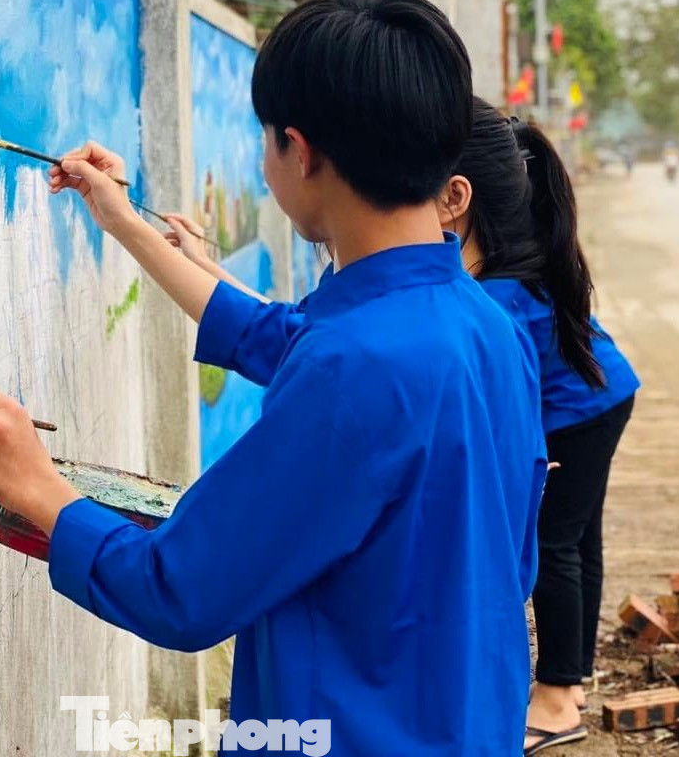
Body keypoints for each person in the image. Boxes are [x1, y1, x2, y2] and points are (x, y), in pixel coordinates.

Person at [0, 0, 546, 754]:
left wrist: (36, 489)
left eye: (266, 142)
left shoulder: (353, 364)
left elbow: (180, 590)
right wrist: (121, 218)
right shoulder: (486, 326)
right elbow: (272, 334)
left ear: (301, 149)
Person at [169, 99, 638, 755]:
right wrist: (174, 252)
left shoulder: (465, 316)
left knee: (561, 542)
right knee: (559, 542)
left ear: (451, 198)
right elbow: (287, 334)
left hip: (584, 409)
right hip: (588, 398)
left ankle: (561, 696)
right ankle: (567, 682)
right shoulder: (445, 310)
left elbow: (181, 586)